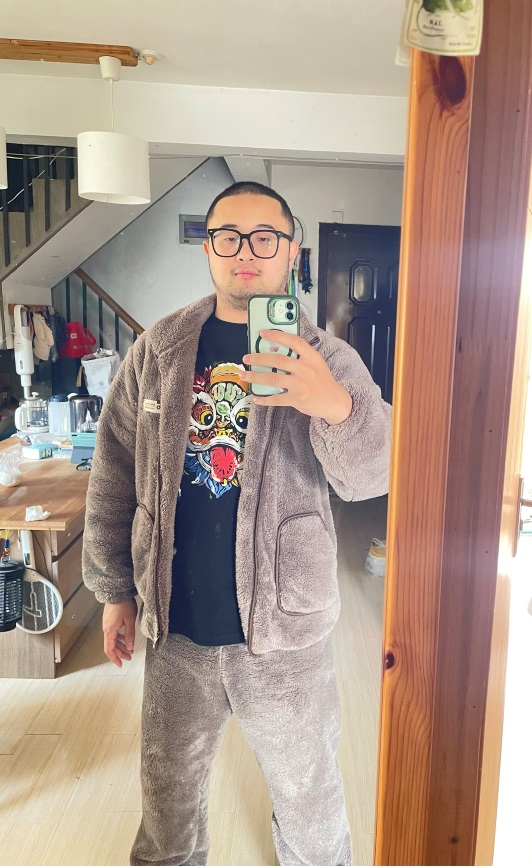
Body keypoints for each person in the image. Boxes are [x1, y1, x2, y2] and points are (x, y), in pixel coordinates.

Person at [82, 181, 392, 866]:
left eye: (264, 237)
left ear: (292, 252)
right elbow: (114, 470)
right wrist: (114, 590)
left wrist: (334, 405)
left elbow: (371, 477)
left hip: (285, 633)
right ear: (208, 248)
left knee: (310, 800)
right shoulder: (159, 349)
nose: (245, 251)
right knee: (167, 802)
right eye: (228, 236)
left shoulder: (328, 358)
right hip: (175, 627)